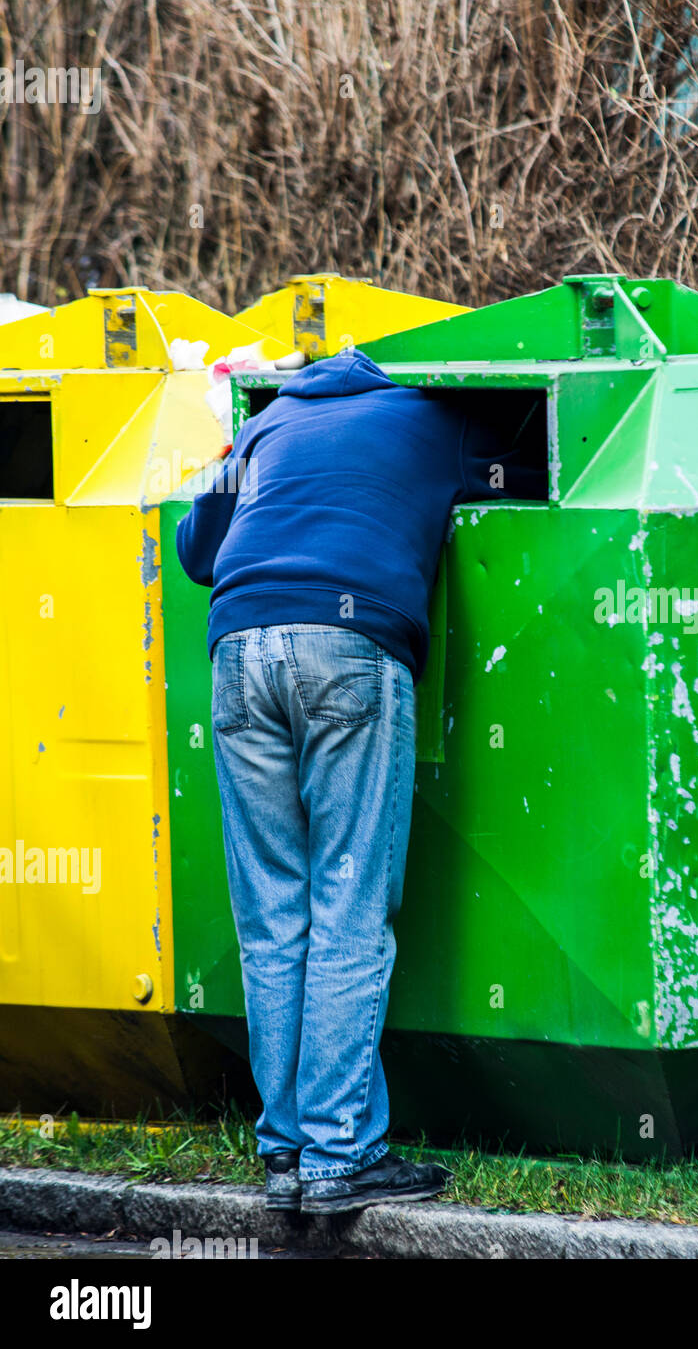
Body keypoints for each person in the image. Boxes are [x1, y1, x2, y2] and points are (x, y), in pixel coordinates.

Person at [175, 348, 543, 1215]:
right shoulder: (429, 415)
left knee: (272, 916)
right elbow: (540, 470)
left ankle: (287, 1153)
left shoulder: (266, 422)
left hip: (238, 650)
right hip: (347, 649)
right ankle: (340, 1158)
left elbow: (197, 550)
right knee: (347, 902)